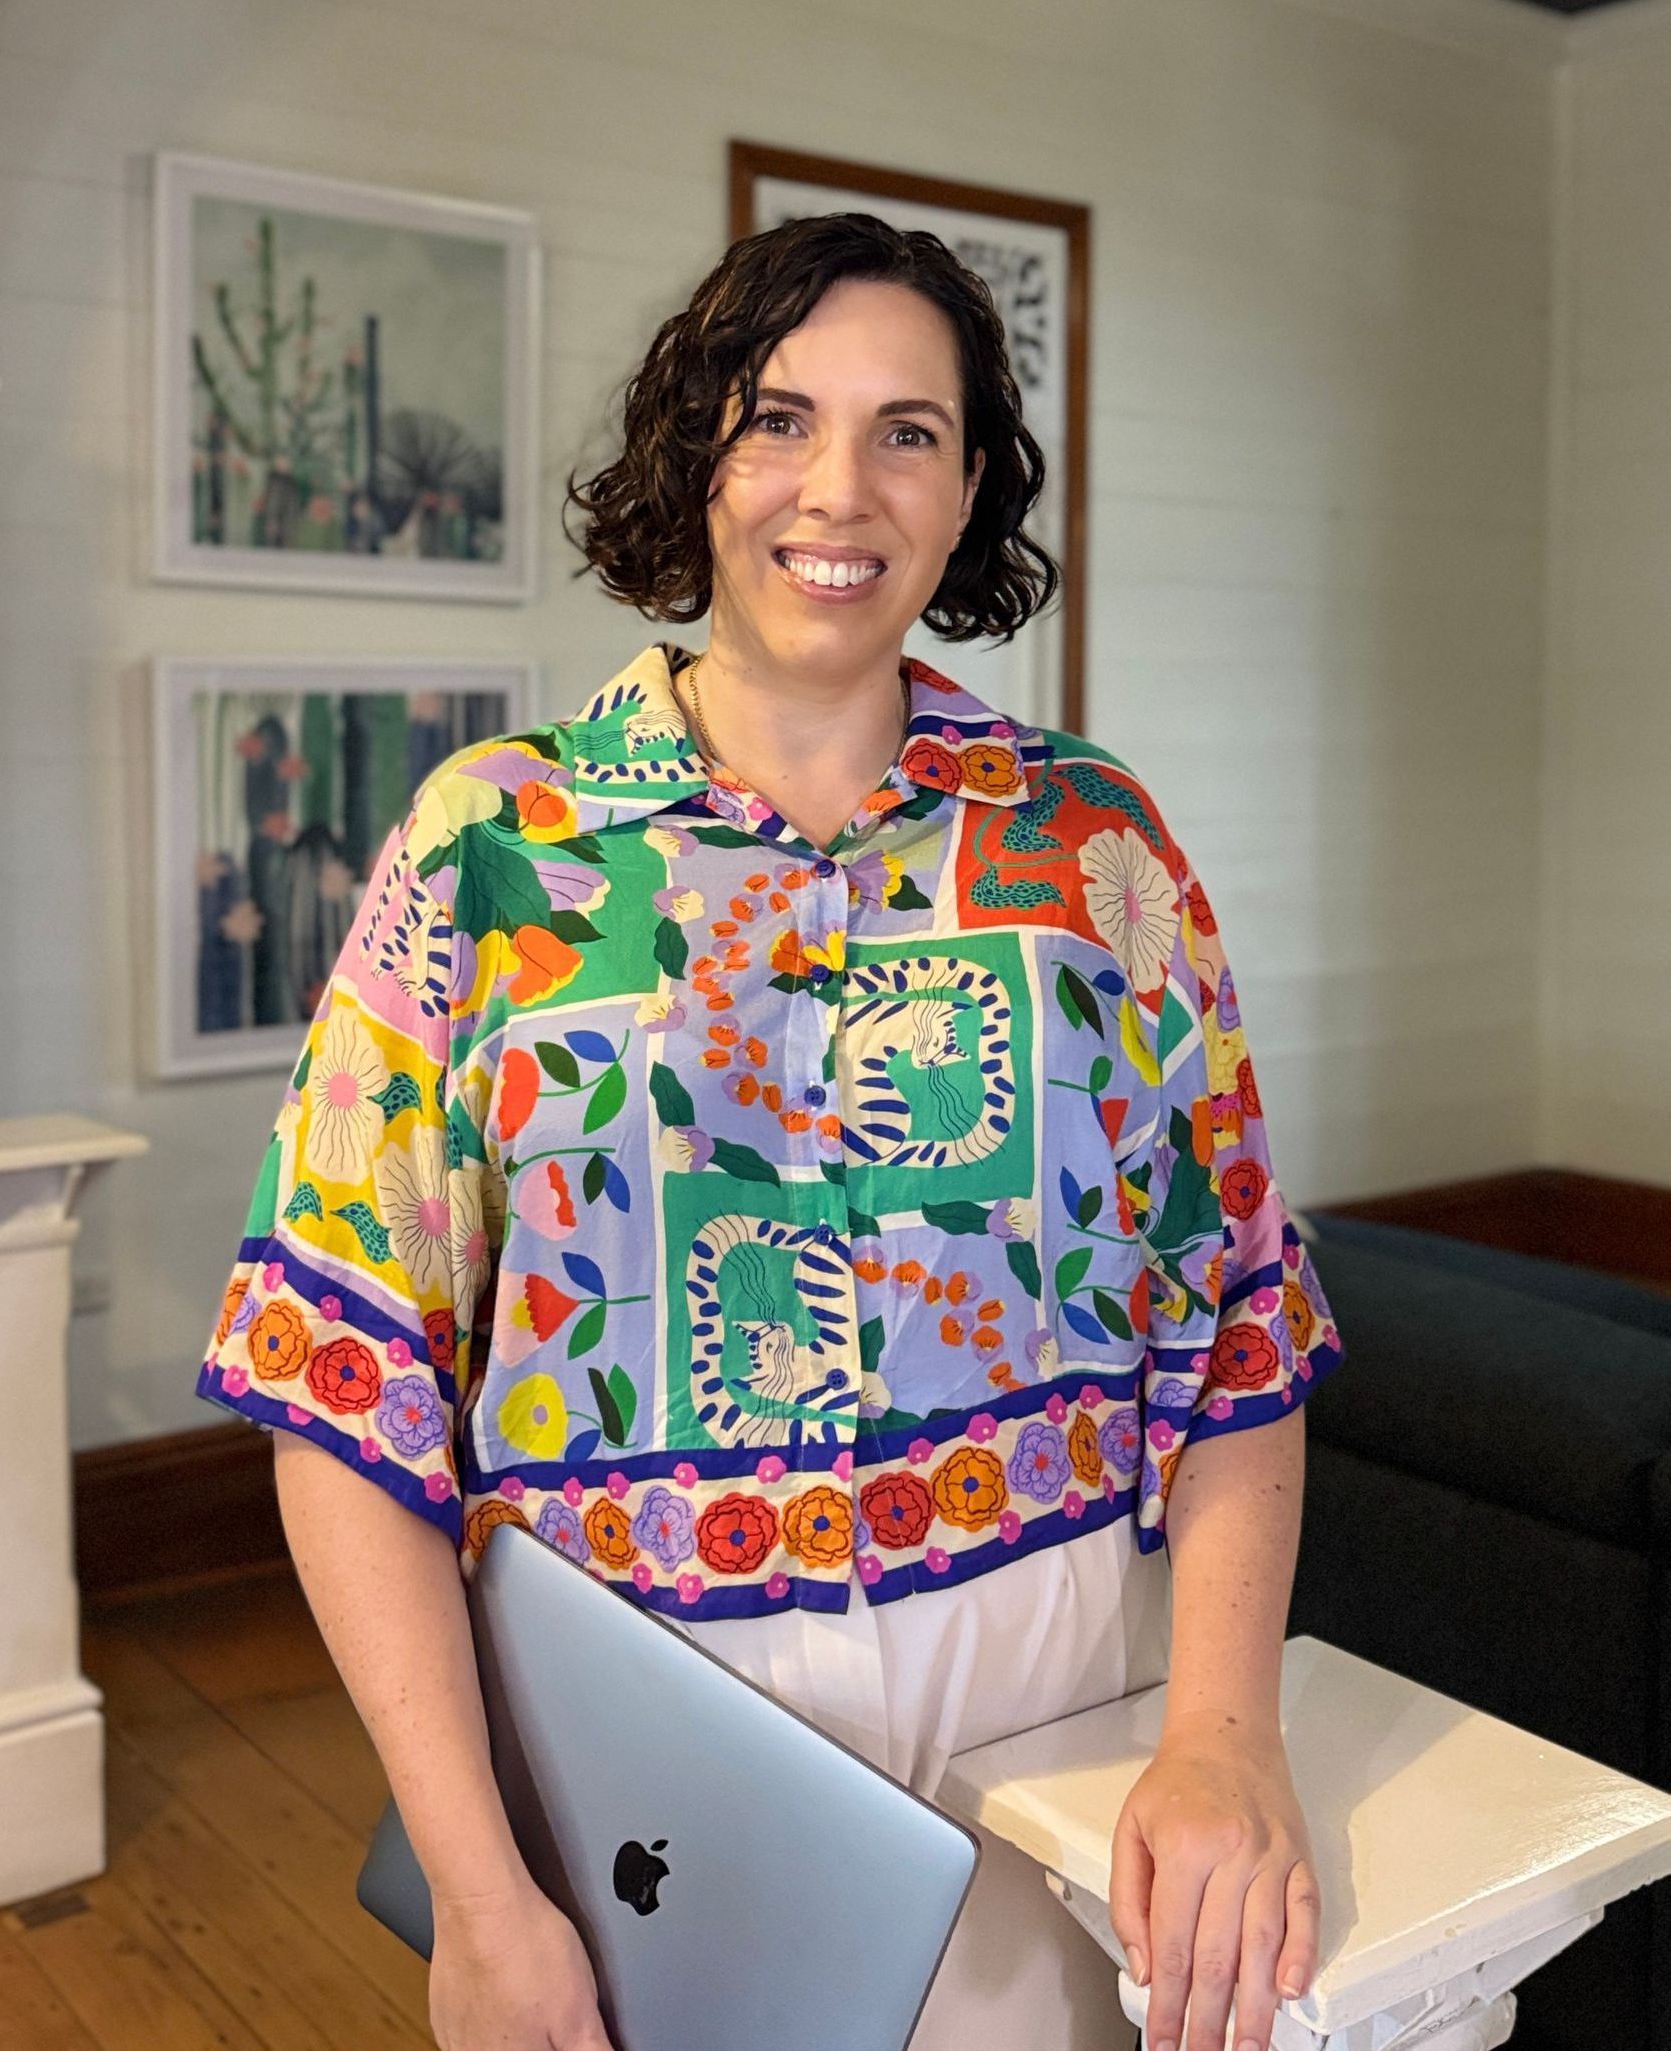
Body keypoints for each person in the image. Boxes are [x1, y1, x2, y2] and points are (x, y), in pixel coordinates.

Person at [198, 211, 1345, 2051]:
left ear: (972, 489)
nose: (842, 486)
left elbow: (1239, 1333)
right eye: (778, 417)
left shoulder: (1090, 850)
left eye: (909, 431)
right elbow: (344, 1387)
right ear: (693, 457)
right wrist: (482, 1895)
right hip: (630, 1774)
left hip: (1053, 1737)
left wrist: (1223, 1737)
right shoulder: (503, 848)